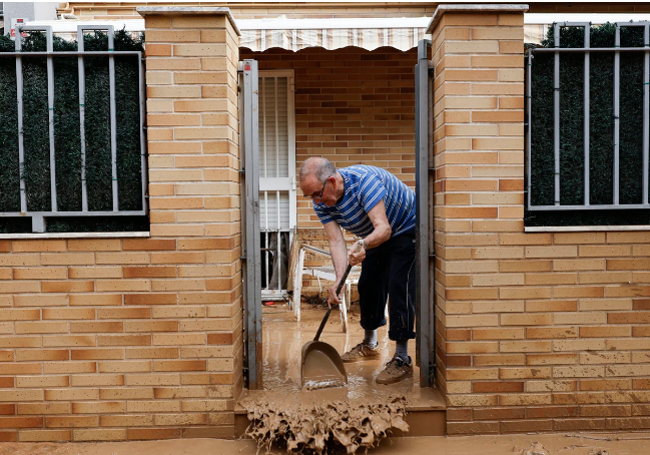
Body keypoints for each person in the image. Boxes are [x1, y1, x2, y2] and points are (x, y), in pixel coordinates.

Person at [298, 157, 416, 385]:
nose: (315, 201)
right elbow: (335, 241)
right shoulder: (322, 201)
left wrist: (363, 244)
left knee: (399, 284)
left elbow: (384, 228)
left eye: (316, 194)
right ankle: (370, 344)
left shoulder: (364, 183)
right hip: (376, 234)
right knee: (369, 284)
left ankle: (402, 357)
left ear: (331, 181)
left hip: (406, 227)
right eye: (309, 196)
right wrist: (339, 282)